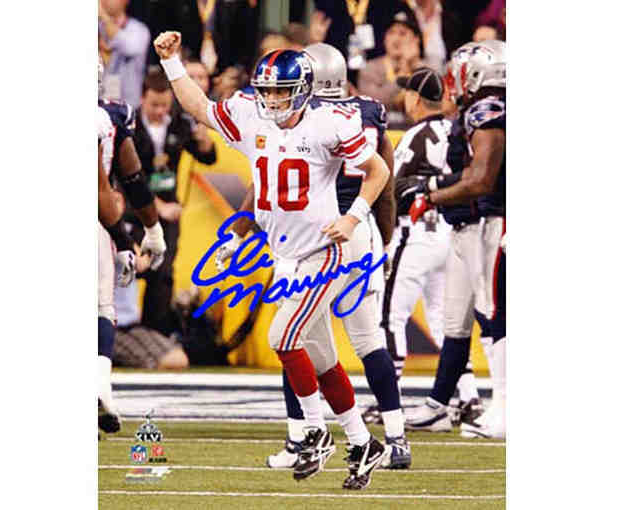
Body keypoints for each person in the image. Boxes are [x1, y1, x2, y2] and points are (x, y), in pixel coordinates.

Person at [154, 31, 390, 489]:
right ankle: (363, 442)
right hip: (286, 255)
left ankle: (315, 432)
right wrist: (171, 63)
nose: (272, 100)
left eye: (280, 91)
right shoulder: (251, 115)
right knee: (322, 360)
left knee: (282, 336)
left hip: (324, 252)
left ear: (302, 90)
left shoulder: (330, 122)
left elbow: (377, 169)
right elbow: (200, 107)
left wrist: (354, 216)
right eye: (266, 91)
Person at [249, 42, 408, 471]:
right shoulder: (367, 112)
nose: (275, 96)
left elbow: (269, 184)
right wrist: (384, 240)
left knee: (293, 335)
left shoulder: (310, 121)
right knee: (360, 339)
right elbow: (385, 185)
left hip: (321, 237)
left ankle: (303, 434)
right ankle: (393, 437)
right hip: (357, 230)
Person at [404, 41, 506, 439]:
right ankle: (440, 404)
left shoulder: (488, 110)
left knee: (494, 317)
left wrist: (431, 194)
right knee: (457, 320)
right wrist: (434, 187)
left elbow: (481, 179)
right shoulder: (481, 111)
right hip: (470, 225)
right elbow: (472, 173)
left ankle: (504, 407)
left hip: (489, 224)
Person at [376, 67, 483, 433]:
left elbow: (394, 188)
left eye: (408, 92)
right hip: (448, 232)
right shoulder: (454, 129)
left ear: (416, 98)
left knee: (390, 316)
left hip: (417, 232)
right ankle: (468, 396)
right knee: (444, 320)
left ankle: (387, 399)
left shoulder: (417, 134)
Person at [97, 57, 167, 435]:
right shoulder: (107, 118)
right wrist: (133, 237)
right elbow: (130, 181)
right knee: (100, 309)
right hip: (96, 222)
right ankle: (100, 387)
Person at [132, 67, 217, 336]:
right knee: (130, 268)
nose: (160, 111)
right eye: (154, 105)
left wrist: (204, 142)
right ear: (143, 98)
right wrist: (158, 207)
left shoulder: (179, 122)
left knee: (163, 275)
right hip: (135, 213)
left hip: (168, 214)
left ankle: (154, 337)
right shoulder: (129, 127)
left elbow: (208, 157)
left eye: (165, 106)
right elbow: (128, 179)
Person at [357, 11, 424, 129]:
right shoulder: (370, 68)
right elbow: (373, 104)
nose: (396, 39)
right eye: (391, 33)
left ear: (416, 39)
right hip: (381, 133)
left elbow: (428, 109)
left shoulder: (425, 71)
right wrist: (404, 72)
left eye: (402, 33)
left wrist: (413, 67)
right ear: (384, 38)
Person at [98, 0, 150, 108]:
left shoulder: (138, 29)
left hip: (129, 108)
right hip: (98, 108)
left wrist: (104, 16)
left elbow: (130, 48)